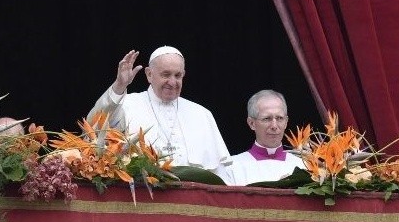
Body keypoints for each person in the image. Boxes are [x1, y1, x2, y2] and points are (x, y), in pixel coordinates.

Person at [86, 46, 231, 176]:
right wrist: (120, 85)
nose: (172, 82)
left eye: (178, 75)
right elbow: (94, 127)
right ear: (149, 74)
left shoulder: (202, 114)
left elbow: (221, 174)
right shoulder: (126, 105)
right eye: (166, 75)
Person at [223, 89, 305, 186]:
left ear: (286, 122)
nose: (274, 126)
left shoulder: (304, 167)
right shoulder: (232, 167)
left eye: (279, 118)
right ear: (252, 123)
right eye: (267, 119)